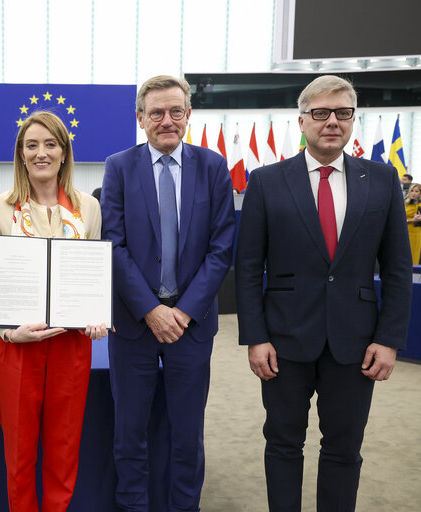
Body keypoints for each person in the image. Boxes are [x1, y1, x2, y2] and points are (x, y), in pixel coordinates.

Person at [235, 75, 412, 512]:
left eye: (342, 113)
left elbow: (397, 268)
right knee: (282, 445)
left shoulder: (383, 179)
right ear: (302, 121)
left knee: (344, 449)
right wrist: (255, 337)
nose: (331, 121)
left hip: (356, 343)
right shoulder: (266, 181)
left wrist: (389, 339)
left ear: (352, 120)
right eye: (320, 113)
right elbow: (247, 267)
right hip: (283, 341)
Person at [100, 75, 236, 512]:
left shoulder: (214, 167)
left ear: (188, 115)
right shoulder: (118, 166)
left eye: (176, 111)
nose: (167, 120)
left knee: (187, 435)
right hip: (134, 324)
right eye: (156, 112)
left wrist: (185, 311)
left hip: (192, 328)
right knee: (130, 433)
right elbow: (113, 245)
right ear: (140, 118)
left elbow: (221, 247)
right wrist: (150, 310)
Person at [0, 111, 107, 512]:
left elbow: (93, 277)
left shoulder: (88, 208)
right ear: (20, 154)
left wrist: (95, 315)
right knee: (19, 456)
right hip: (17, 347)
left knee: (64, 453)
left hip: (71, 347)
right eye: (32, 145)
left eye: (50, 144)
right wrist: (8, 331)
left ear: (64, 152)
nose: (41, 153)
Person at [405, 182, 421, 264]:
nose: (413, 193)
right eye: (412, 190)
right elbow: (396, 219)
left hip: (415, 234)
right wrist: (412, 220)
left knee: (413, 257)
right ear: (409, 192)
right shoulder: (402, 203)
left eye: (416, 191)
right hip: (402, 232)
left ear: (420, 193)